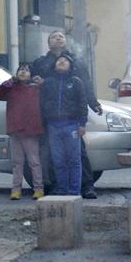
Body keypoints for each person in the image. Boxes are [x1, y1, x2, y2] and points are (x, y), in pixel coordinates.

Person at [31, 30, 102, 199]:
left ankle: (86, 186)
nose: (58, 38)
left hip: (72, 118)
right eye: (54, 36)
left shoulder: (76, 61)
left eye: (61, 36)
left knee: (79, 154)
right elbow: (29, 80)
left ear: (65, 41)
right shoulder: (40, 63)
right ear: (48, 43)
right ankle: (57, 186)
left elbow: (86, 85)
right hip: (50, 117)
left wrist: (93, 103)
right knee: (53, 154)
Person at [0, 63, 44, 200]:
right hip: (15, 129)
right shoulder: (11, 88)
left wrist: (42, 82)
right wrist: (8, 82)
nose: (23, 72)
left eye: (27, 70)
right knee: (17, 162)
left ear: (31, 75)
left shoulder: (36, 89)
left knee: (34, 161)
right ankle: (16, 189)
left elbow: (47, 93)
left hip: (31, 130)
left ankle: (38, 188)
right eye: (20, 70)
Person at [40, 55, 88, 195]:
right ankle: (61, 189)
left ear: (71, 65)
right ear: (54, 65)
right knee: (58, 160)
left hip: (72, 125)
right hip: (53, 126)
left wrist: (82, 124)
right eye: (59, 60)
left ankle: (74, 191)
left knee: (74, 160)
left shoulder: (76, 82)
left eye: (66, 60)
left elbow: (82, 103)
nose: (62, 61)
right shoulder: (47, 82)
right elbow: (41, 104)